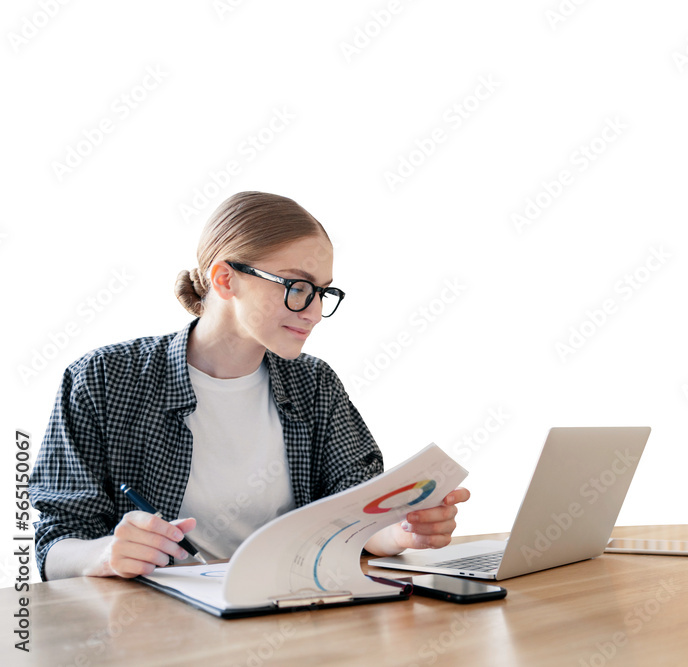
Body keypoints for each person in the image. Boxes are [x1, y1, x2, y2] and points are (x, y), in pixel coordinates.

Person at [30, 191, 469, 581]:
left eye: (322, 293)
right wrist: (104, 555)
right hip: (150, 628)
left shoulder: (314, 385)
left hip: (293, 613)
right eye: (298, 287)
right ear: (226, 279)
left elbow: (356, 517)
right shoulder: (104, 379)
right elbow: (55, 546)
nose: (313, 313)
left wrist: (402, 529)